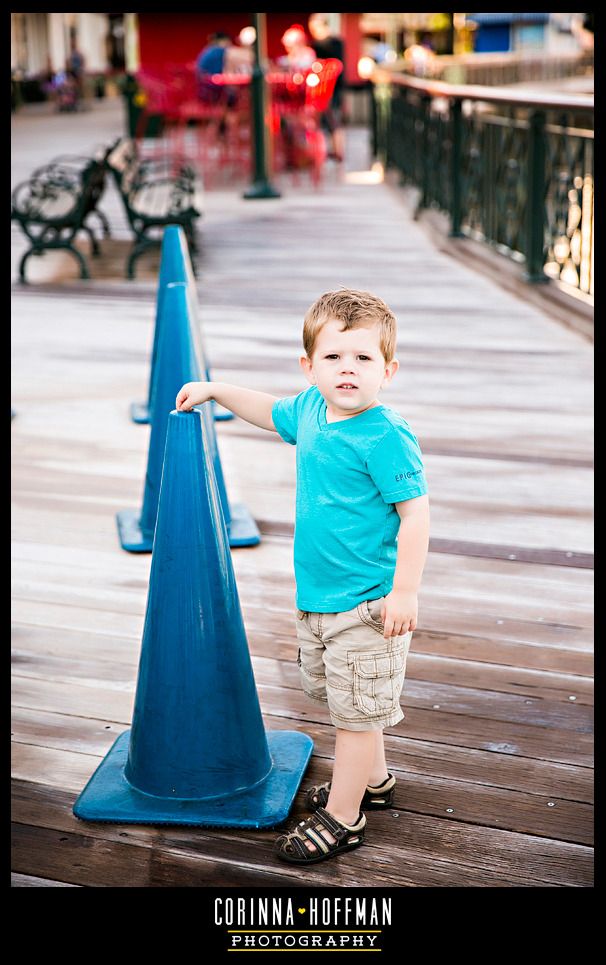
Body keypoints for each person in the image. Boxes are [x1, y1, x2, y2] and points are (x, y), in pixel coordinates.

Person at [175, 288, 430, 865]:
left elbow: (416, 513)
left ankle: (345, 816)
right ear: (309, 366)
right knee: (352, 704)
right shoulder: (313, 410)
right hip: (317, 597)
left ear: (387, 371)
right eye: (335, 358)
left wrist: (405, 591)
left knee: (354, 716)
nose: (348, 370)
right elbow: (269, 411)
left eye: (364, 359)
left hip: (368, 603)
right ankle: (374, 782)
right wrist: (215, 390)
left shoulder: (384, 435)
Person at [308, 13, 346, 161]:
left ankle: (337, 152)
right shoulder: (333, 43)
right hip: (328, 88)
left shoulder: (328, 44)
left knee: (333, 121)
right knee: (330, 122)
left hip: (330, 88)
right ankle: (332, 151)